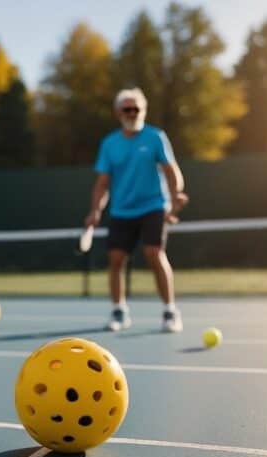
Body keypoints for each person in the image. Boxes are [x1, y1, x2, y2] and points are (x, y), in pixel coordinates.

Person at [84, 87, 189, 333]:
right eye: (126, 109)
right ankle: (119, 311)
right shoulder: (109, 144)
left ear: (143, 111)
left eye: (136, 109)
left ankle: (170, 311)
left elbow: (172, 171)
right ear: (118, 112)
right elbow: (102, 184)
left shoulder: (155, 137)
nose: (132, 113)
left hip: (153, 205)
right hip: (121, 210)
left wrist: (174, 197)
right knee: (116, 260)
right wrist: (95, 210)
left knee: (154, 252)